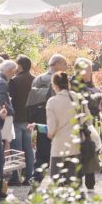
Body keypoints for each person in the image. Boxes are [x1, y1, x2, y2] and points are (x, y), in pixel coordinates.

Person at [46, 72, 89, 187]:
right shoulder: (79, 98)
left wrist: (49, 134)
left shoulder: (52, 102)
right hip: (76, 144)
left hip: (59, 146)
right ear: (68, 84)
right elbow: (87, 121)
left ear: (54, 85)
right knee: (74, 183)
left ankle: (59, 203)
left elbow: (51, 129)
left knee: (56, 182)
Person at [30, 54, 68, 182]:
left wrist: (34, 120)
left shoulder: (38, 79)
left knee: (42, 154)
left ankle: (36, 181)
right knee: (60, 155)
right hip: (58, 121)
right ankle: (60, 183)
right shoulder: (59, 80)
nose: (66, 67)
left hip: (41, 120)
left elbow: (31, 102)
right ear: (56, 64)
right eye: (64, 64)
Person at [71, 58, 101, 190]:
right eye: (88, 69)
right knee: (82, 152)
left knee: (91, 150)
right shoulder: (75, 85)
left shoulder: (89, 84)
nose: (91, 72)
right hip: (80, 124)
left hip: (91, 123)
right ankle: (79, 181)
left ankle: (90, 181)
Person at [8, 55, 35, 185]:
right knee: (28, 149)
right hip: (29, 119)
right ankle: (29, 176)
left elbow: (10, 99)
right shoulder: (34, 80)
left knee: (17, 149)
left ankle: (16, 177)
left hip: (17, 118)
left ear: (20, 66)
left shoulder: (14, 81)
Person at [0, 60, 17, 149]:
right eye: (14, 71)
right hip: (3, 119)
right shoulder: (2, 82)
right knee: (5, 148)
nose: (14, 75)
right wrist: (11, 111)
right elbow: (2, 102)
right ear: (9, 70)